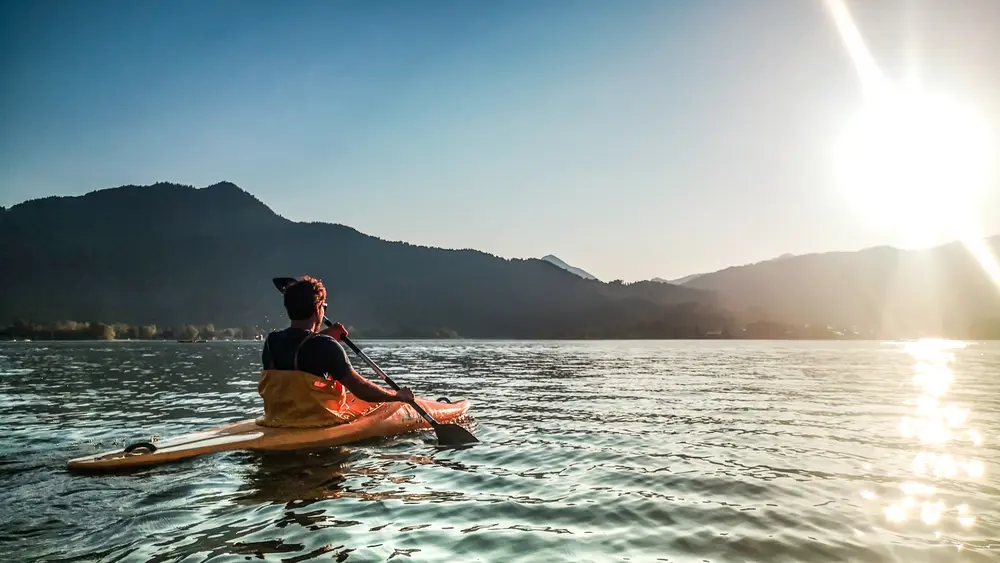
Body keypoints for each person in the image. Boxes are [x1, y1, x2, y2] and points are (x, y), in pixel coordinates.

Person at [257, 275, 413, 428]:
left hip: (276, 420)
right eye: (324, 306)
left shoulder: (272, 341)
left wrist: (325, 335)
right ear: (317, 308)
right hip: (316, 423)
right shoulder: (326, 346)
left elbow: (297, 351)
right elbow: (360, 389)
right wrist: (397, 396)